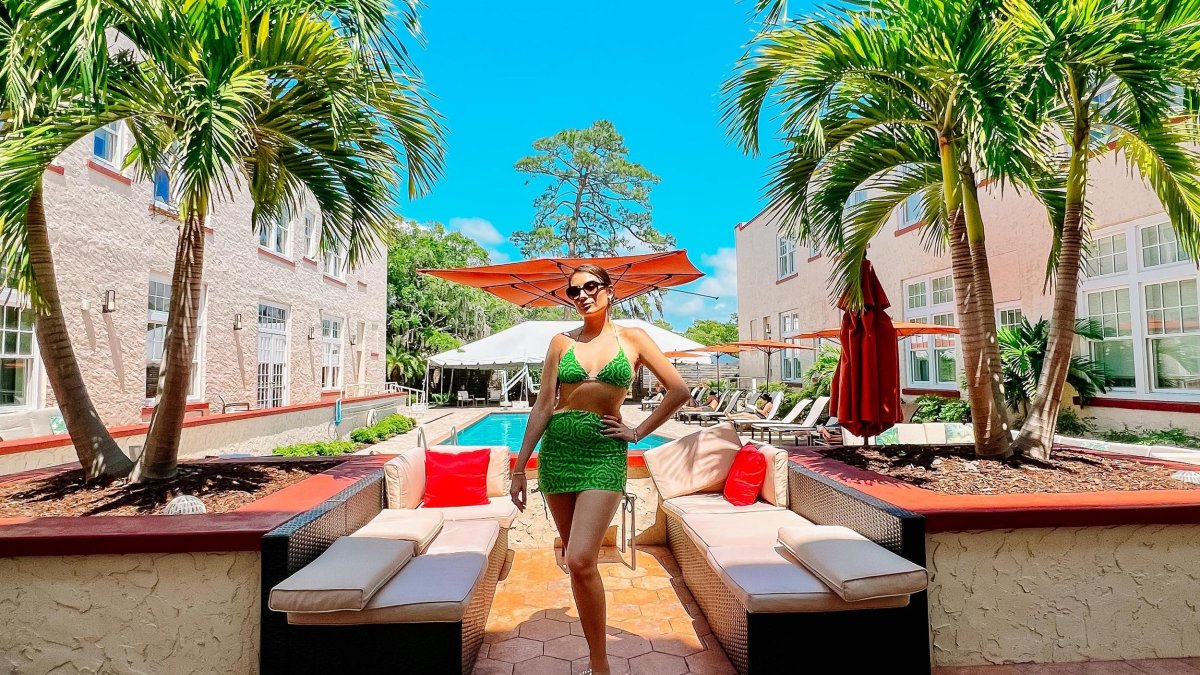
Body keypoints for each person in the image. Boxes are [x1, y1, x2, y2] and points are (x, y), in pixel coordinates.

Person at [509, 264, 689, 675]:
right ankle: (596, 658)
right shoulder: (560, 343)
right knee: (578, 564)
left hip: (604, 454)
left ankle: (600, 664)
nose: (584, 295)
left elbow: (678, 390)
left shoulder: (634, 339)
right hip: (557, 453)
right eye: (574, 291)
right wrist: (520, 467)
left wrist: (638, 431)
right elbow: (543, 406)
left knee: (580, 558)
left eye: (591, 286)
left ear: (609, 290)